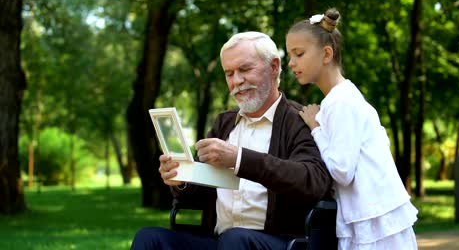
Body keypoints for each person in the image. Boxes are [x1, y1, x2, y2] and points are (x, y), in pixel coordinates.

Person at [130, 31, 332, 250]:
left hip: (276, 241)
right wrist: (181, 180)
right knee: (149, 238)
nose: (237, 81)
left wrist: (239, 158)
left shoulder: (299, 119)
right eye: (229, 73)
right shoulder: (224, 123)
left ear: (274, 67)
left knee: (235, 239)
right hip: (218, 240)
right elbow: (198, 196)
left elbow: (314, 181)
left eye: (245, 69)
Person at [286, 8, 419, 249]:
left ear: (326, 54)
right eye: (290, 55)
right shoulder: (342, 99)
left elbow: (342, 171)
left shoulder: (341, 103)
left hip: (374, 221)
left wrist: (316, 128)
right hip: (368, 215)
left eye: (299, 54)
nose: (291, 62)